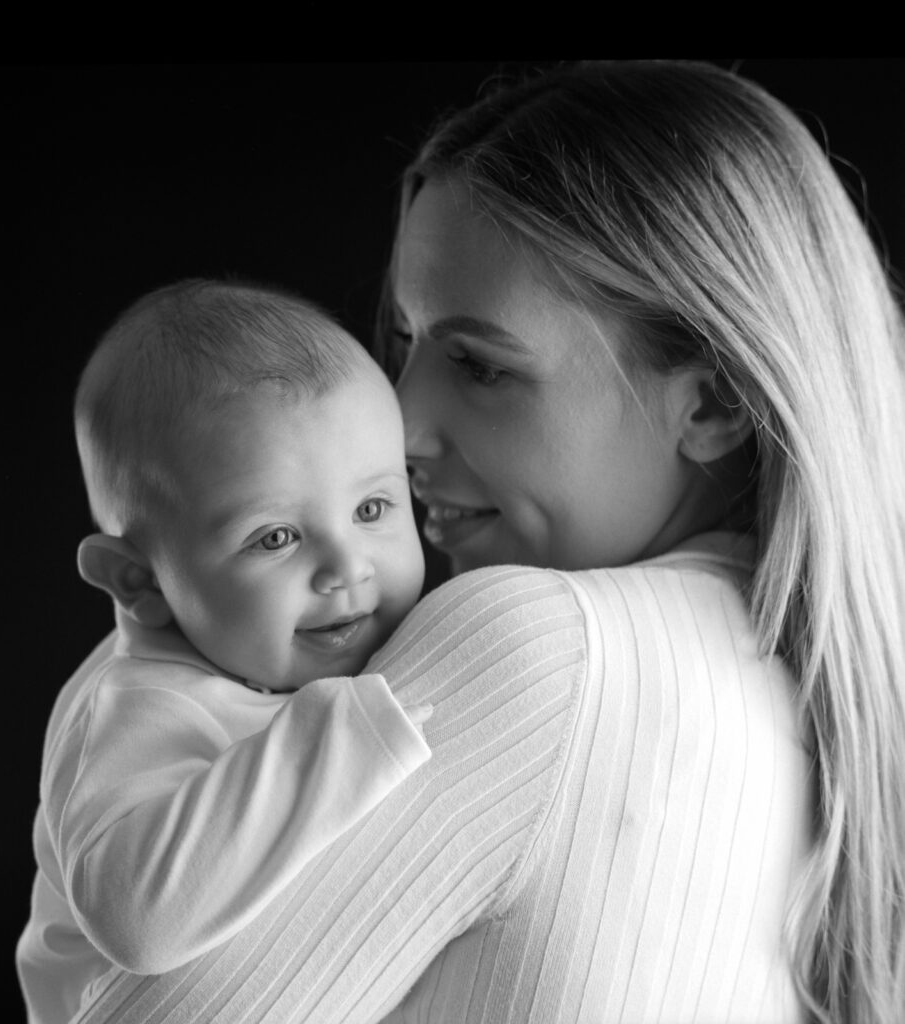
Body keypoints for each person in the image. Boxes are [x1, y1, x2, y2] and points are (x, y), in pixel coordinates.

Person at [71, 59, 905, 1024]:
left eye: (477, 365)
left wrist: (162, 635)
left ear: (712, 401)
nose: (397, 423)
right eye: (407, 341)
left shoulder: (537, 644)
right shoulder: (806, 684)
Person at [16, 279, 433, 1024]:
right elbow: (137, 922)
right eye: (274, 537)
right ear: (140, 582)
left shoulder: (272, 650)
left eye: (372, 508)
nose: (347, 566)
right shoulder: (134, 711)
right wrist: (334, 740)